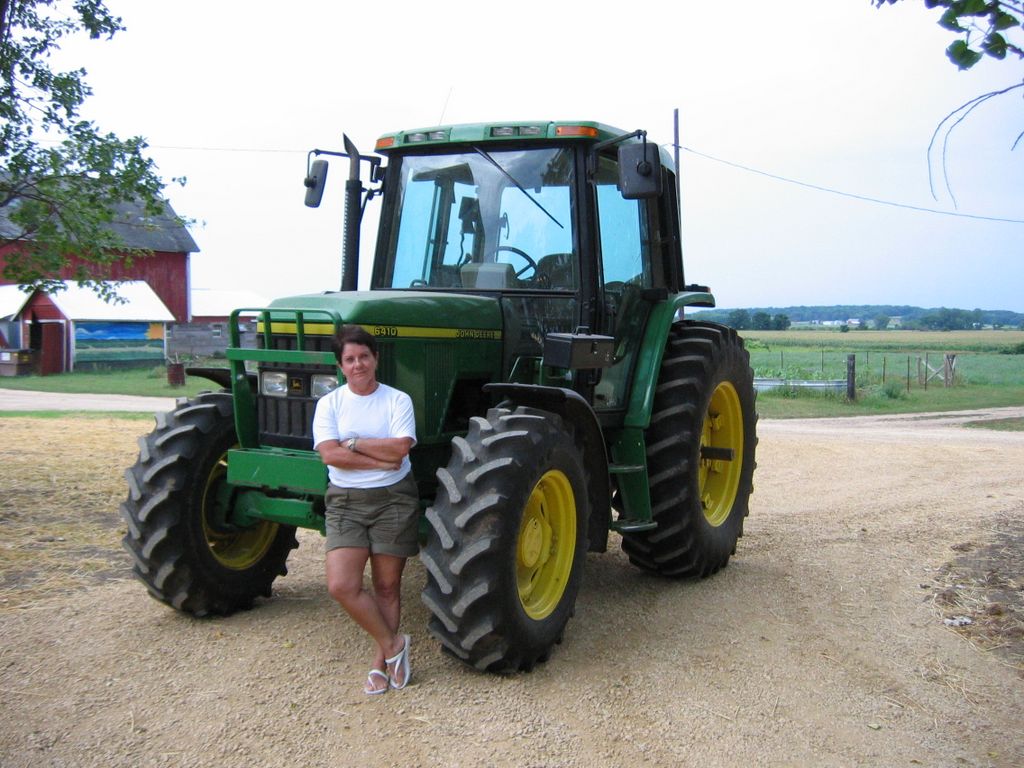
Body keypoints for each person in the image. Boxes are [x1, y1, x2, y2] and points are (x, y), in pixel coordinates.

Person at [312, 325, 418, 694]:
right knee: (342, 585)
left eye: (364, 357)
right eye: (350, 359)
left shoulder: (397, 401)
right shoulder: (330, 403)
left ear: (375, 359)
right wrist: (379, 456)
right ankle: (394, 646)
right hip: (345, 501)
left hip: (393, 498)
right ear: (341, 365)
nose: (358, 365)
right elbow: (330, 454)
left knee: (387, 585)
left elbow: (401, 449)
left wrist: (355, 443)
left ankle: (380, 663)